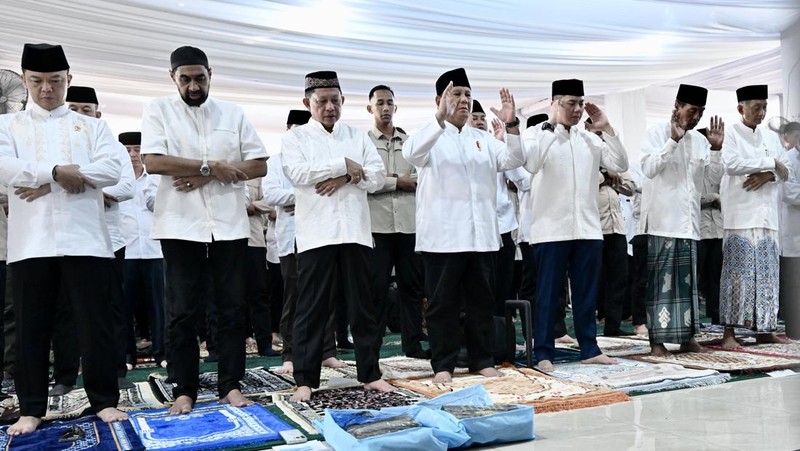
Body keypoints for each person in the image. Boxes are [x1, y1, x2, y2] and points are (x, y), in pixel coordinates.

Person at [0, 43, 126, 435]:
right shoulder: (8, 126)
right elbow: (5, 168)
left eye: (55, 81)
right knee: (30, 328)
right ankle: (31, 408)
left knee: (95, 325)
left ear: (68, 80)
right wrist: (56, 173)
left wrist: (43, 179)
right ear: (24, 81)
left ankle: (104, 402)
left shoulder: (92, 126)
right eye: (37, 82)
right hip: (31, 242)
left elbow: (112, 168)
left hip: (86, 239)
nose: (47, 89)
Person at [140, 46, 268, 414]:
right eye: (186, 79)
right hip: (180, 224)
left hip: (229, 225)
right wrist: (209, 167)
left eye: (200, 78)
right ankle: (185, 389)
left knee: (230, 309)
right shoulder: (158, 109)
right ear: (173, 78)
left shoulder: (233, 112)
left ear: (211, 74)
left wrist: (201, 174)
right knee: (182, 311)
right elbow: (153, 161)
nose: (193, 86)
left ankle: (230, 385)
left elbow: (258, 164)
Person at [403, 68, 524, 383]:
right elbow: (411, 154)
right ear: (439, 100)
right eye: (455, 94)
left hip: (481, 236)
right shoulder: (428, 135)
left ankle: (481, 359)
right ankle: (443, 364)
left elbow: (514, 160)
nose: (463, 100)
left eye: (467, 95)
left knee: (481, 303)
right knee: (442, 305)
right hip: (442, 239)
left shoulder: (482, 138)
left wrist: (511, 125)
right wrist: (439, 119)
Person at [281, 71, 394, 401]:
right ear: (308, 103)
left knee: (364, 308)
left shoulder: (357, 136)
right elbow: (298, 173)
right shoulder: (296, 139)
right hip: (317, 235)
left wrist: (345, 176)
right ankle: (305, 379)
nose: (329, 107)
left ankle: (370, 374)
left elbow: (375, 177)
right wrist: (342, 164)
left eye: (335, 101)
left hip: (356, 233)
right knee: (312, 309)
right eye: (321, 101)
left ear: (343, 102)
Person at [522, 78, 625, 372]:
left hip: (588, 229)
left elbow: (620, 163)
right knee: (549, 295)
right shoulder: (536, 135)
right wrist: (552, 127)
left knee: (586, 293)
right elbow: (531, 164)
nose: (578, 109)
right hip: (550, 230)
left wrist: (607, 128)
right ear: (555, 103)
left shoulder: (590, 140)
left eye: (580, 104)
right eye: (571, 104)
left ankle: (589, 347)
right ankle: (543, 351)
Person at [640, 84, 725, 356]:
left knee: (689, 287)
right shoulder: (655, 134)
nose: (696, 117)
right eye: (692, 110)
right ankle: (657, 343)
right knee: (661, 286)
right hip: (664, 222)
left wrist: (716, 150)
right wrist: (672, 141)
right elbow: (650, 169)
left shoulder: (700, 141)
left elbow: (711, 181)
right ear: (676, 106)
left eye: (700, 112)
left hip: (691, 226)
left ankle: (688, 339)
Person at [264, 109, 349, 375]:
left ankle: (327, 351)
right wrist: (303, 195)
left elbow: (334, 191)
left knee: (326, 295)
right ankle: (290, 354)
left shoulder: (322, 160)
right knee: (294, 297)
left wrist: (302, 195)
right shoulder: (275, 162)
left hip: (321, 236)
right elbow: (271, 194)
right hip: (290, 240)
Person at [719, 85, 792, 348]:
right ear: (741, 109)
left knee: (768, 275)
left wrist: (770, 175)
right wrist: (770, 164)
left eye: (764, 107)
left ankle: (764, 330)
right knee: (737, 275)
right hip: (741, 215)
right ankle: (730, 333)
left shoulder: (769, 137)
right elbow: (731, 164)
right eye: (756, 107)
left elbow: (788, 171)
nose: (761, 113)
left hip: (767, 217)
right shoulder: (731, 133)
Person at [366, 85, 428, 359]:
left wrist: (387, 180)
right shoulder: (363, 143)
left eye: (390, 103)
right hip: (377, 227)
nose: (385, 108)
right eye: (380, 103)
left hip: (409, 226)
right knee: (376, 290)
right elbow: (367, 180)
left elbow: (420, 180)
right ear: (370, 108)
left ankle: (413, 347)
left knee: (411, 289)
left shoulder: (410, 142)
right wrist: (397, 181)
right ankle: (373, 349)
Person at [118, 131, 166, 368]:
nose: (133, 155)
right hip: (125, 249)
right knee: (124, 306)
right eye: (127, 150)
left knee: (159, 305)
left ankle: (162, 353)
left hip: (154, 248)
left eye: (137, 149)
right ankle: (127, 355)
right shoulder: (115, 178)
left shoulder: (155, 176)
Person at [695, 128, 724, 325]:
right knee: (695, 276)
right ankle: (693, 318)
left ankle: (716, 315)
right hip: (698, 230)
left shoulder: (716, 166)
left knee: (716, 276)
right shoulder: (693, 168)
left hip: (717, 229)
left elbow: (722, 186)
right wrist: (712, 198)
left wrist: (716, 150)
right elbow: (689, 197)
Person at [779, 122, 800, 338]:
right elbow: (791, 194)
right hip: (793, 233)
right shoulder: (788, 159)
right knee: (795, 286)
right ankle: (795, 332)